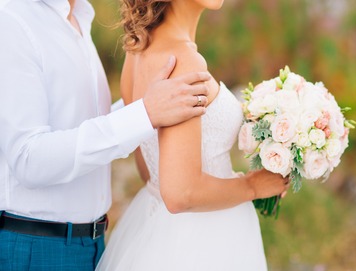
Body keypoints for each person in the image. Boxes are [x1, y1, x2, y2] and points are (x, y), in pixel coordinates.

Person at [0, 0, 213, 270]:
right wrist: (144, 114)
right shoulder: (12, 20)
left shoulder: (77, 17)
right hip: (34, 247)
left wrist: (152, 104)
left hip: (92, 245)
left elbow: (77, 125)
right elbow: (29, 158)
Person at [96, 0, 289, 270]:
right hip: (203, 241)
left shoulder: (137, 50)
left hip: (156, 230)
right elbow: (179, 193)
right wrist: (253, 186)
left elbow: (148, 170)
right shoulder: (184, 60)